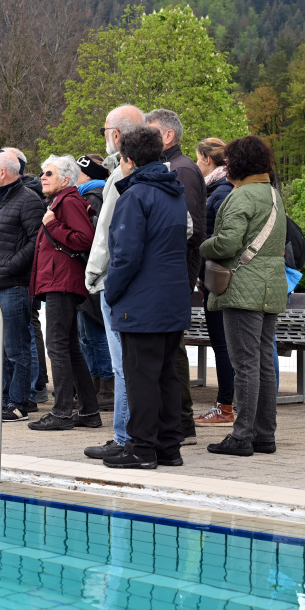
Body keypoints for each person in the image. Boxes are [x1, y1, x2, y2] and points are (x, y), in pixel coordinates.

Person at [102, 126, 191, 469]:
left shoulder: (135, 196)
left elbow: (125, 255)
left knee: (141, 376)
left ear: (128, 160)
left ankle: (141, 448)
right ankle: (168, 446)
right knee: (167, 374)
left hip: (142, 302)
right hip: (172, 298)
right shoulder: (173, 192)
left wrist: (112, 291)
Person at [199, 135, 288, 457]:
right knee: (264, 362)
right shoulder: (273, 194)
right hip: (271, 286)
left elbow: (226, 244)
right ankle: (265, 435)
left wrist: (202, 245)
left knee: (245, 365)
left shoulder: (240, 197)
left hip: (242, 288)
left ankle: (242, 436)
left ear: (237, 164)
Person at [81, 104, 146, 459]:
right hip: (141, 284)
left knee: (123, 365)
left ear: (116, 136)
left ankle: (124, 436)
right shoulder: (162, 176)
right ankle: (136, 435)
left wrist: (93, 275)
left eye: (105, 130)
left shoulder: (121, 179)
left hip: (115, 282)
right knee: (135, 365)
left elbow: (107, 234)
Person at [144, 109, 207, 445]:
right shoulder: (173, 168)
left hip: (175, 273)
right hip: (171, 272)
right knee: (168, 348)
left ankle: (181, 424)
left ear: (167, 136)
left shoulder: (181, 169)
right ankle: (175, 423)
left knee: (171, 348)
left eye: (149, 131)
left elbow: (191, 229)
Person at [27, 155, 100, 431]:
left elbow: (84, 239)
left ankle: (62, 413)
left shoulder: (67, 202)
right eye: (42, 172)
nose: (42, 177)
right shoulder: (60, 201)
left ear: (66, 179)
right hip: (61, 282)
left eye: (49, 173)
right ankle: (89, 412)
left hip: (63, 282)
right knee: (69, 346)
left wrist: (52, 224)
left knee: (57, 346)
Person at [0, 151, 46, 422]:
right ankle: (4, 399)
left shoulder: (28, 200)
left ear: (3, 172)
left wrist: (10, 266)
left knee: (17, 347)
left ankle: (19, 402)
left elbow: (36, 241)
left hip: (14, 285)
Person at [193, 138, 236, 426]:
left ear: (208, 160)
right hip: (226, 280)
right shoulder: (228, 189)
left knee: (222, 345)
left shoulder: (217, 194)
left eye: (198, 159)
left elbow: (212, 240)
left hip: (218, 281)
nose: (196, 165)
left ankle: (225, 407)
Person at [74, 153, 114, 410]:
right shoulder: (90, 196)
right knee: (88, 336)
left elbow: (93, 241)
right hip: (86, 274)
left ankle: (106, 388)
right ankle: (95, 384)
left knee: (95, 335)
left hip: (92, 276)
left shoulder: (93, 198)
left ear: (88, 175)